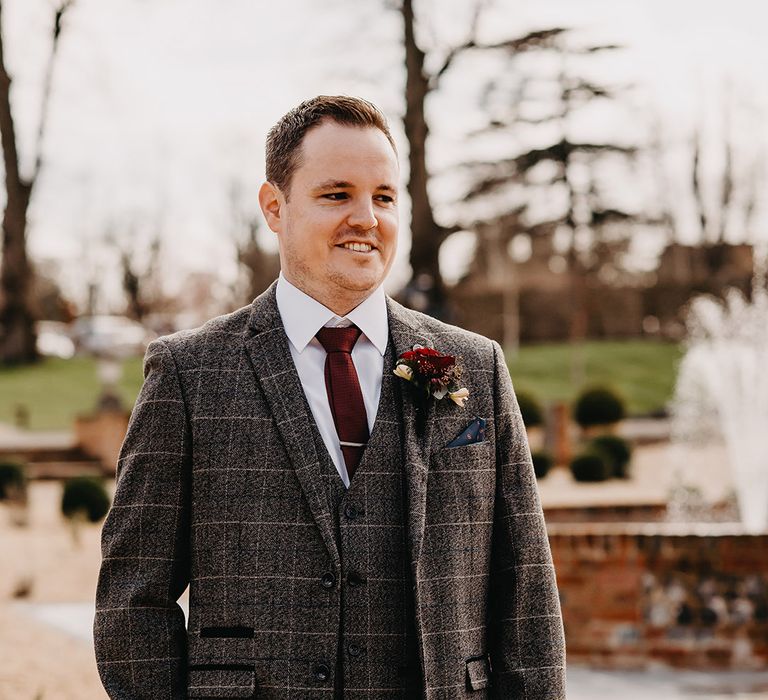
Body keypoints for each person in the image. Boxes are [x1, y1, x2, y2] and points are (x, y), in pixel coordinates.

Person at [94, 95, 565, 699]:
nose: (366, 218)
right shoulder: (189, 374)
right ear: (275, 207)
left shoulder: (477, 367)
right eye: (337, 194)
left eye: (384, 196)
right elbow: (134, 599)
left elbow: (526, 590)